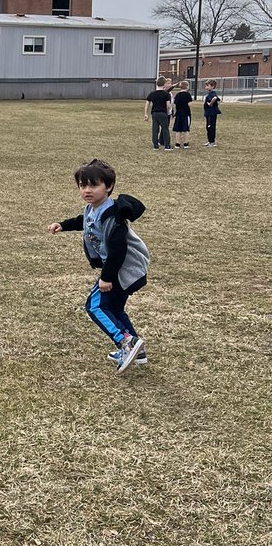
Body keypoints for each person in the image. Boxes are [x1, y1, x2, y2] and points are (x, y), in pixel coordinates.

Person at [48, 158, 150, 373]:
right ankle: (137, 352)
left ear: (109, 186)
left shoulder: (113, 215)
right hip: (117, 268)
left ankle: (126, 342)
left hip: (121, 268)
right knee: (113, 308)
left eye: (93, 185)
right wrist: (63, 225)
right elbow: (83, 221)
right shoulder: (92, 208)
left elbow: (118, 249)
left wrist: (107, 277)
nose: (87, 190)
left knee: (94, 306)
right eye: (83, 185)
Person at [143, 78, 172, 150]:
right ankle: (167, 146)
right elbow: (168, 105)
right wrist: (169, 112)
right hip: (163, 113)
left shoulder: (152, 94)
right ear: (164, 84)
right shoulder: (166, 94)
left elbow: (147, 104)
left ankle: (155, 145)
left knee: (155, 129)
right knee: (165, 129)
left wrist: (146, 114)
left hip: (155, 114)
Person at [172, 81, 193, 148]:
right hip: (186, 114)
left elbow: (175, 104)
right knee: (186, 129)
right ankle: (186, 143)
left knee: (178, 130)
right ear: (187, 87)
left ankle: (177, 143)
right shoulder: (188, 95)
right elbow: (189, 104)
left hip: (178, 114)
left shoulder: (177, 95)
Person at [203, 80, 222, 146]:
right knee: (208, 127)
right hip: (208, 113)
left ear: (212, 86)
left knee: (211, 127)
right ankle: (209, 140)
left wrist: (210, 103)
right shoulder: (209, 93)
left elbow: (215, 98)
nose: (206, 87)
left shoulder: (213, 92)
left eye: (207, 85)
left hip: (212, 113)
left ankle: (212, 141)